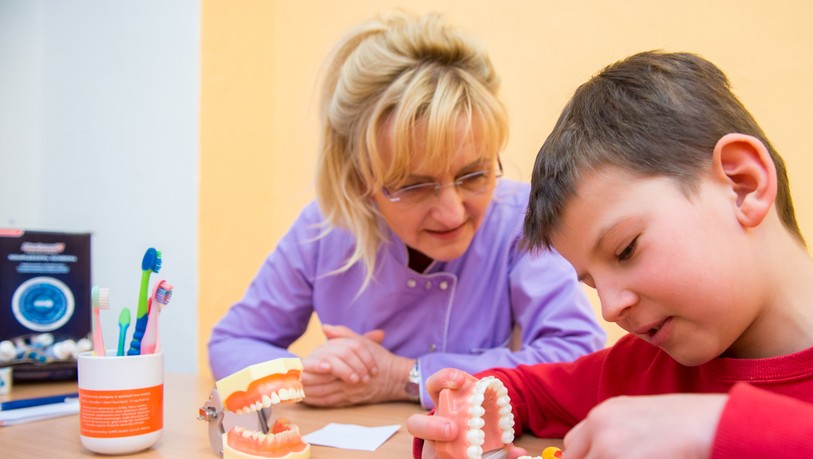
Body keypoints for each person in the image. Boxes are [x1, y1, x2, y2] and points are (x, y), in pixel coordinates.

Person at [408, 51, 813, 459]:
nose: (610, 309)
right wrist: (456, 434)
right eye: (591, 283)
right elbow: (520, 391)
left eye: (625, 249)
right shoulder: (641, 370)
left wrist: (725, 444)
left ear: (742, 184)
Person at [207, 11, 605, 409]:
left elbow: (579, 358)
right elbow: (232, 344)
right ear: (361, 181)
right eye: (414, 186)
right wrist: (300, 377)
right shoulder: (327, 229)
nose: (451, 213)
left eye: (473, 175)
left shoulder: (518, 219)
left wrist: (404, 376)